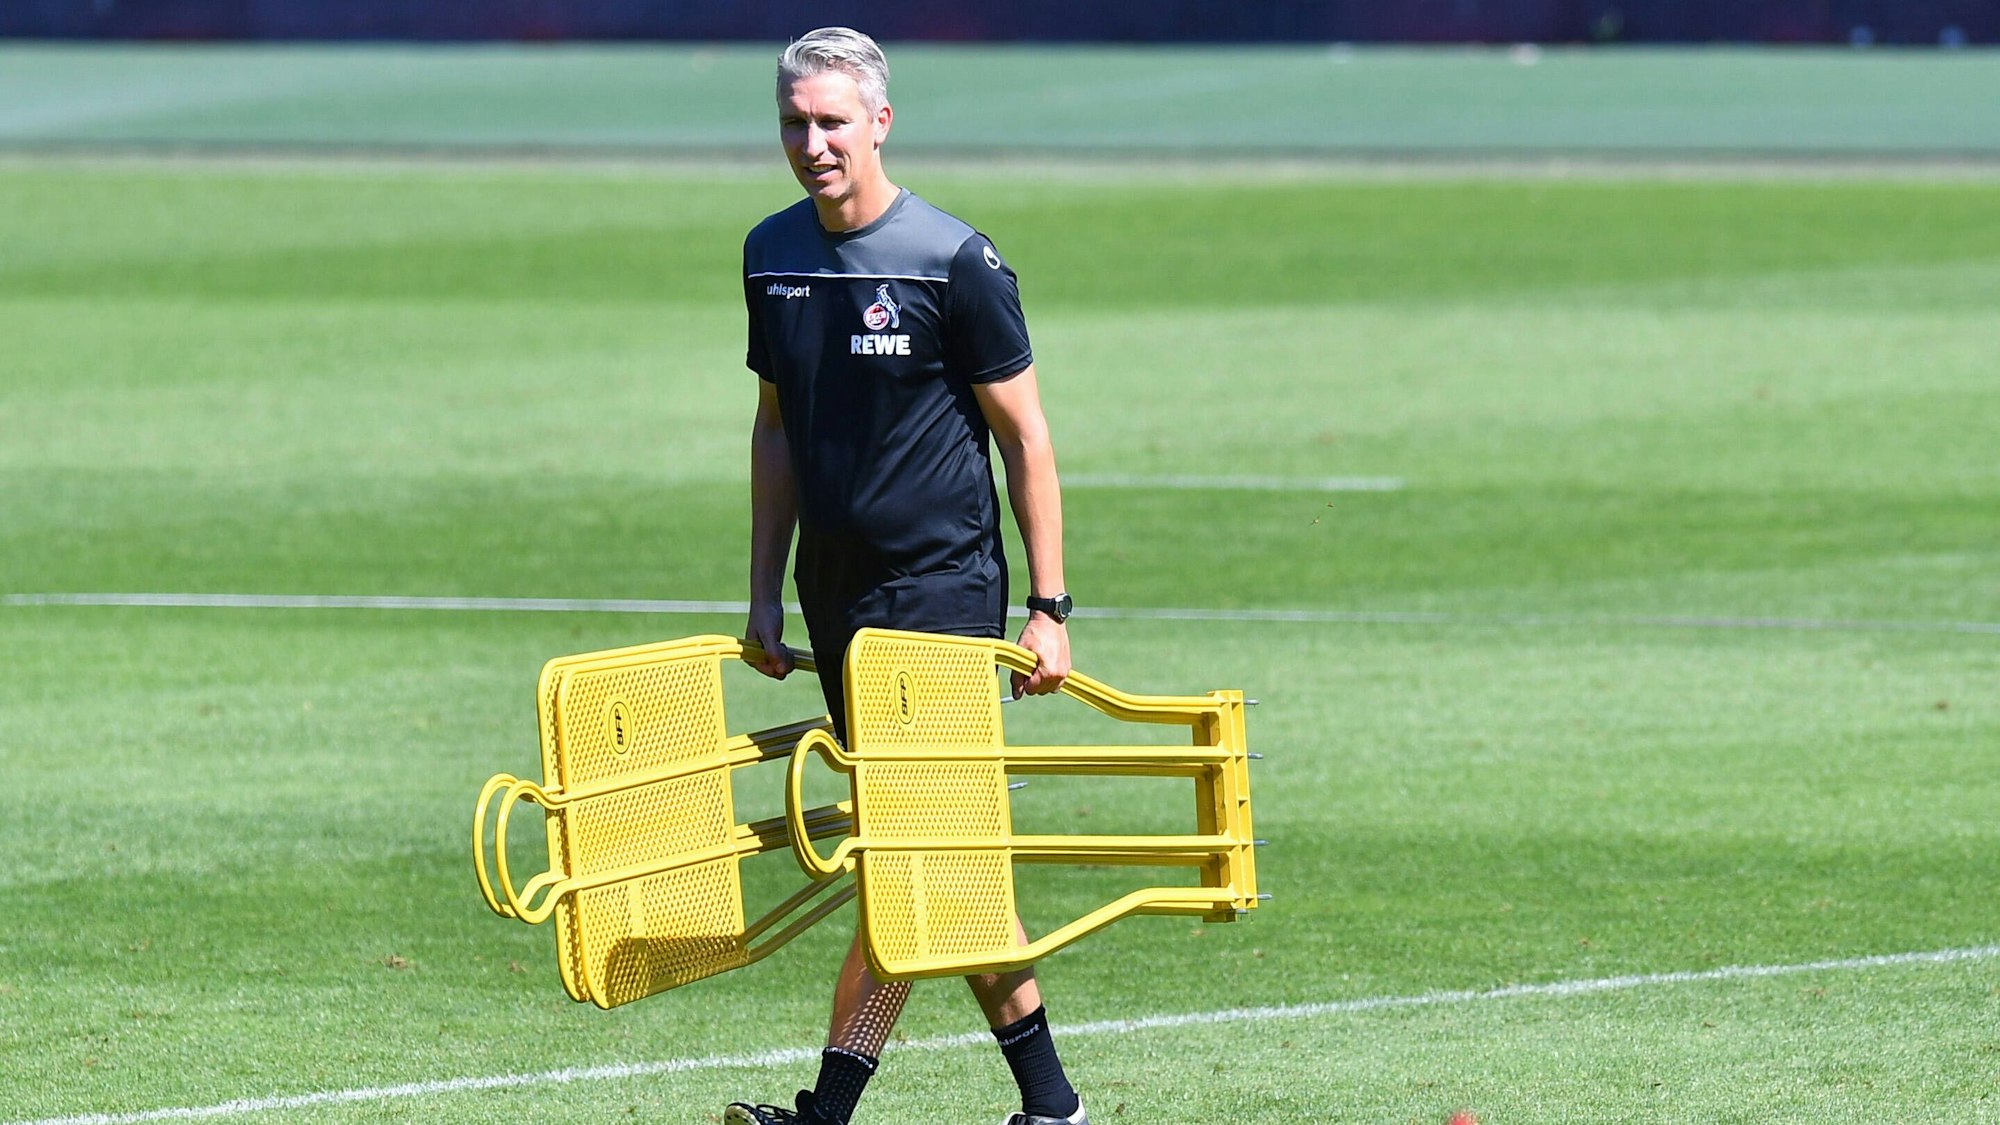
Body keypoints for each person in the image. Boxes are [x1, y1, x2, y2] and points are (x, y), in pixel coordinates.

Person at [728, 26, 1087, 1125]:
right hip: (835, 599)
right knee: (940, 858)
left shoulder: (953, 263)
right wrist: (761, 593)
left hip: (937, 598)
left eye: (831, 121)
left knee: (908, 853)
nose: (812, 142)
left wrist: (1047, 609)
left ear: (879, 123)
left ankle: (827, 1114)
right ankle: (1053, 1106)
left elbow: (1025, 439)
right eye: (794, 122)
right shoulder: (769, 254)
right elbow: (775, 431)